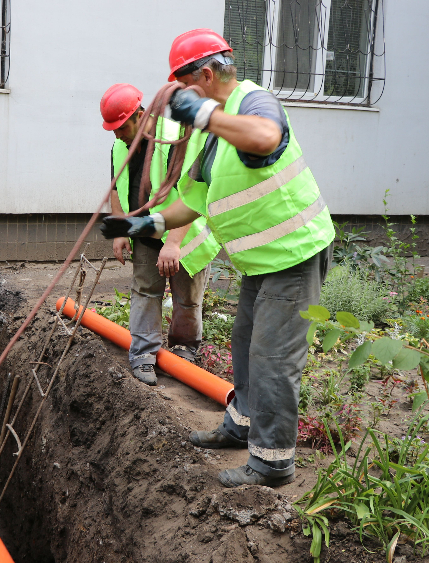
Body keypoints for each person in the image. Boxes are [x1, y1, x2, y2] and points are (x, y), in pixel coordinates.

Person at [100, 29, 334, 488]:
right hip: (262, 261)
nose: (181, 100)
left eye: (185, 88)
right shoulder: (214, 135)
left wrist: (205, 114)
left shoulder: (252, 104)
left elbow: (267, 137)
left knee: (272, 360)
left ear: (206, 76)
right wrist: (141, 226)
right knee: (245, 347)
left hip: (294, 255)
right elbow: (192, 201)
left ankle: (271, 463)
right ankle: (240, 427)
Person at [99, 83, 220, 385]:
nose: (116, 134)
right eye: (112, 129)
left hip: (185, 236)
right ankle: (143, 354)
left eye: (121, 127)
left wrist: (174, 244)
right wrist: (120, 230)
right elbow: (116, 186)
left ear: (140, 115)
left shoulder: (176, 138)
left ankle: (183, 351)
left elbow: (188, 196)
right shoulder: (118, 145)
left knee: (187, 298)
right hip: (144, 234)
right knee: (145, 291)